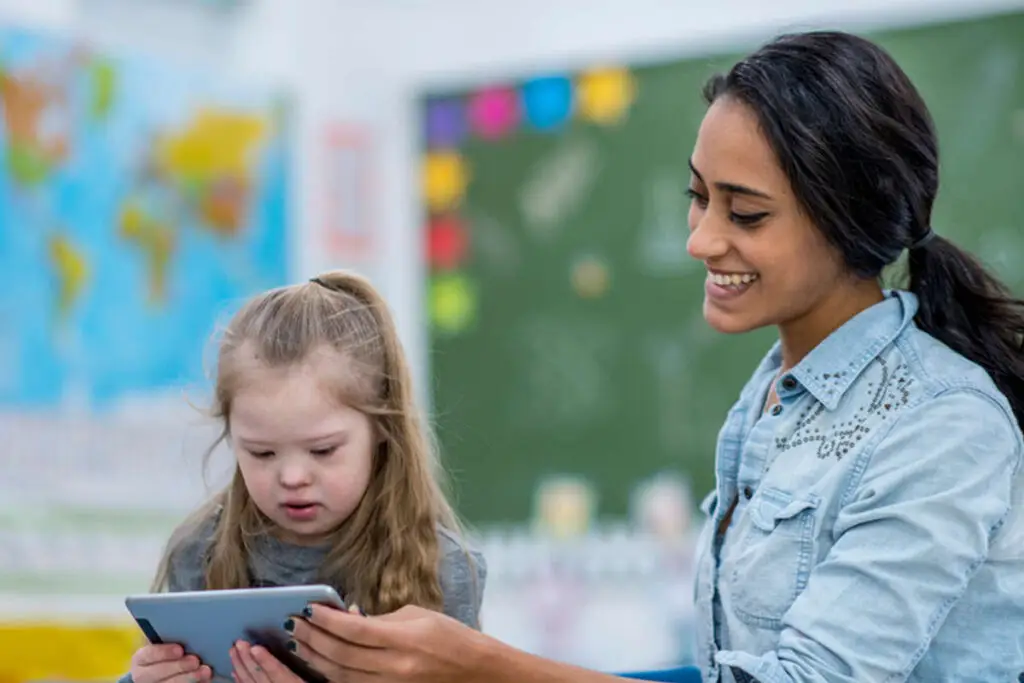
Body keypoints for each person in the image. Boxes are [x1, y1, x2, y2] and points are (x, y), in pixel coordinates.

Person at [231, 30, 1024, 683]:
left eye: (744, 212)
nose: (701, 239)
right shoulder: (776, 397)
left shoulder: (943, 425)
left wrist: (477, 665)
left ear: (850, 220)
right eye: (698, 196)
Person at [122, 270, 486, 683]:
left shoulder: (440, 568)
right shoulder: (199, 552)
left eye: (323, 450)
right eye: (262, 452)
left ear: (382, 428)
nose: (293, 476)